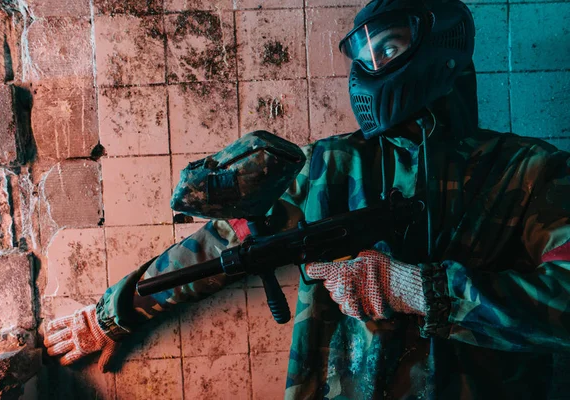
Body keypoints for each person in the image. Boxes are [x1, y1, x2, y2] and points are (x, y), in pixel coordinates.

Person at [44, 0, 570, 398]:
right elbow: (227, 247)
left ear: (441, 45)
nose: (369, 67)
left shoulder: (529, 171)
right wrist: (111, 314)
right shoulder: (332, 166)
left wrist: (424, 290)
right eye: (364, 54)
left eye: (387, 48)